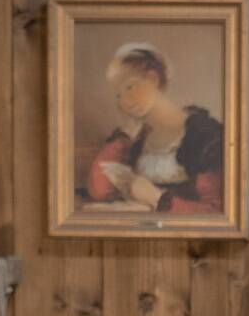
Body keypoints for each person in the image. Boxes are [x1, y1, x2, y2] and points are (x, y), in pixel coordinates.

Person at [85, 42, 225, 215]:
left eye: (130, 86)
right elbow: (100, 189)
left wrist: (157, 198)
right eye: (118, 95)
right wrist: (124, 137)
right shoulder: (139, 140)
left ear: (152, 79)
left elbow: (216, 211)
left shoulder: (204, 134)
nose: (125, 102)